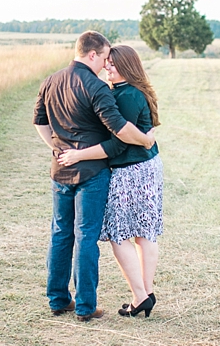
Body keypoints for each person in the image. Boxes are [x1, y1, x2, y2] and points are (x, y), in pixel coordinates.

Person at [33, 31, 155, 322]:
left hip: (60, 170)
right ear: (92, 55)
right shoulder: (97, 87)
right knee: (86, 237)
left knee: (60, 234)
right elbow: (121, 130)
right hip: (92, 174)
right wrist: (146, 140)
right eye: (104, 57)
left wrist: (57, 147)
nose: (105, 64)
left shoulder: (50, 81)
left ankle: (58, 300)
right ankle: (86, 307)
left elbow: (40, 122)